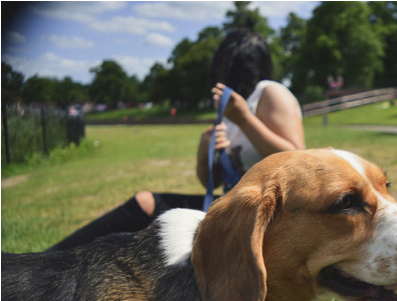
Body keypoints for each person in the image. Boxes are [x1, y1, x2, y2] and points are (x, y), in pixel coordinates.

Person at [48, 28, 305, 252]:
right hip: (237, 208)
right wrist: (204, 150)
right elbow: (212, 182)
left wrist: (245, 119)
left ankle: (50, 261)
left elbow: (298, 163)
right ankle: (51, 259)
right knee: (146, 204)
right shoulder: (235, 107)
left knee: (149, 206)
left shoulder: (270, 92)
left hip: (270, 217)